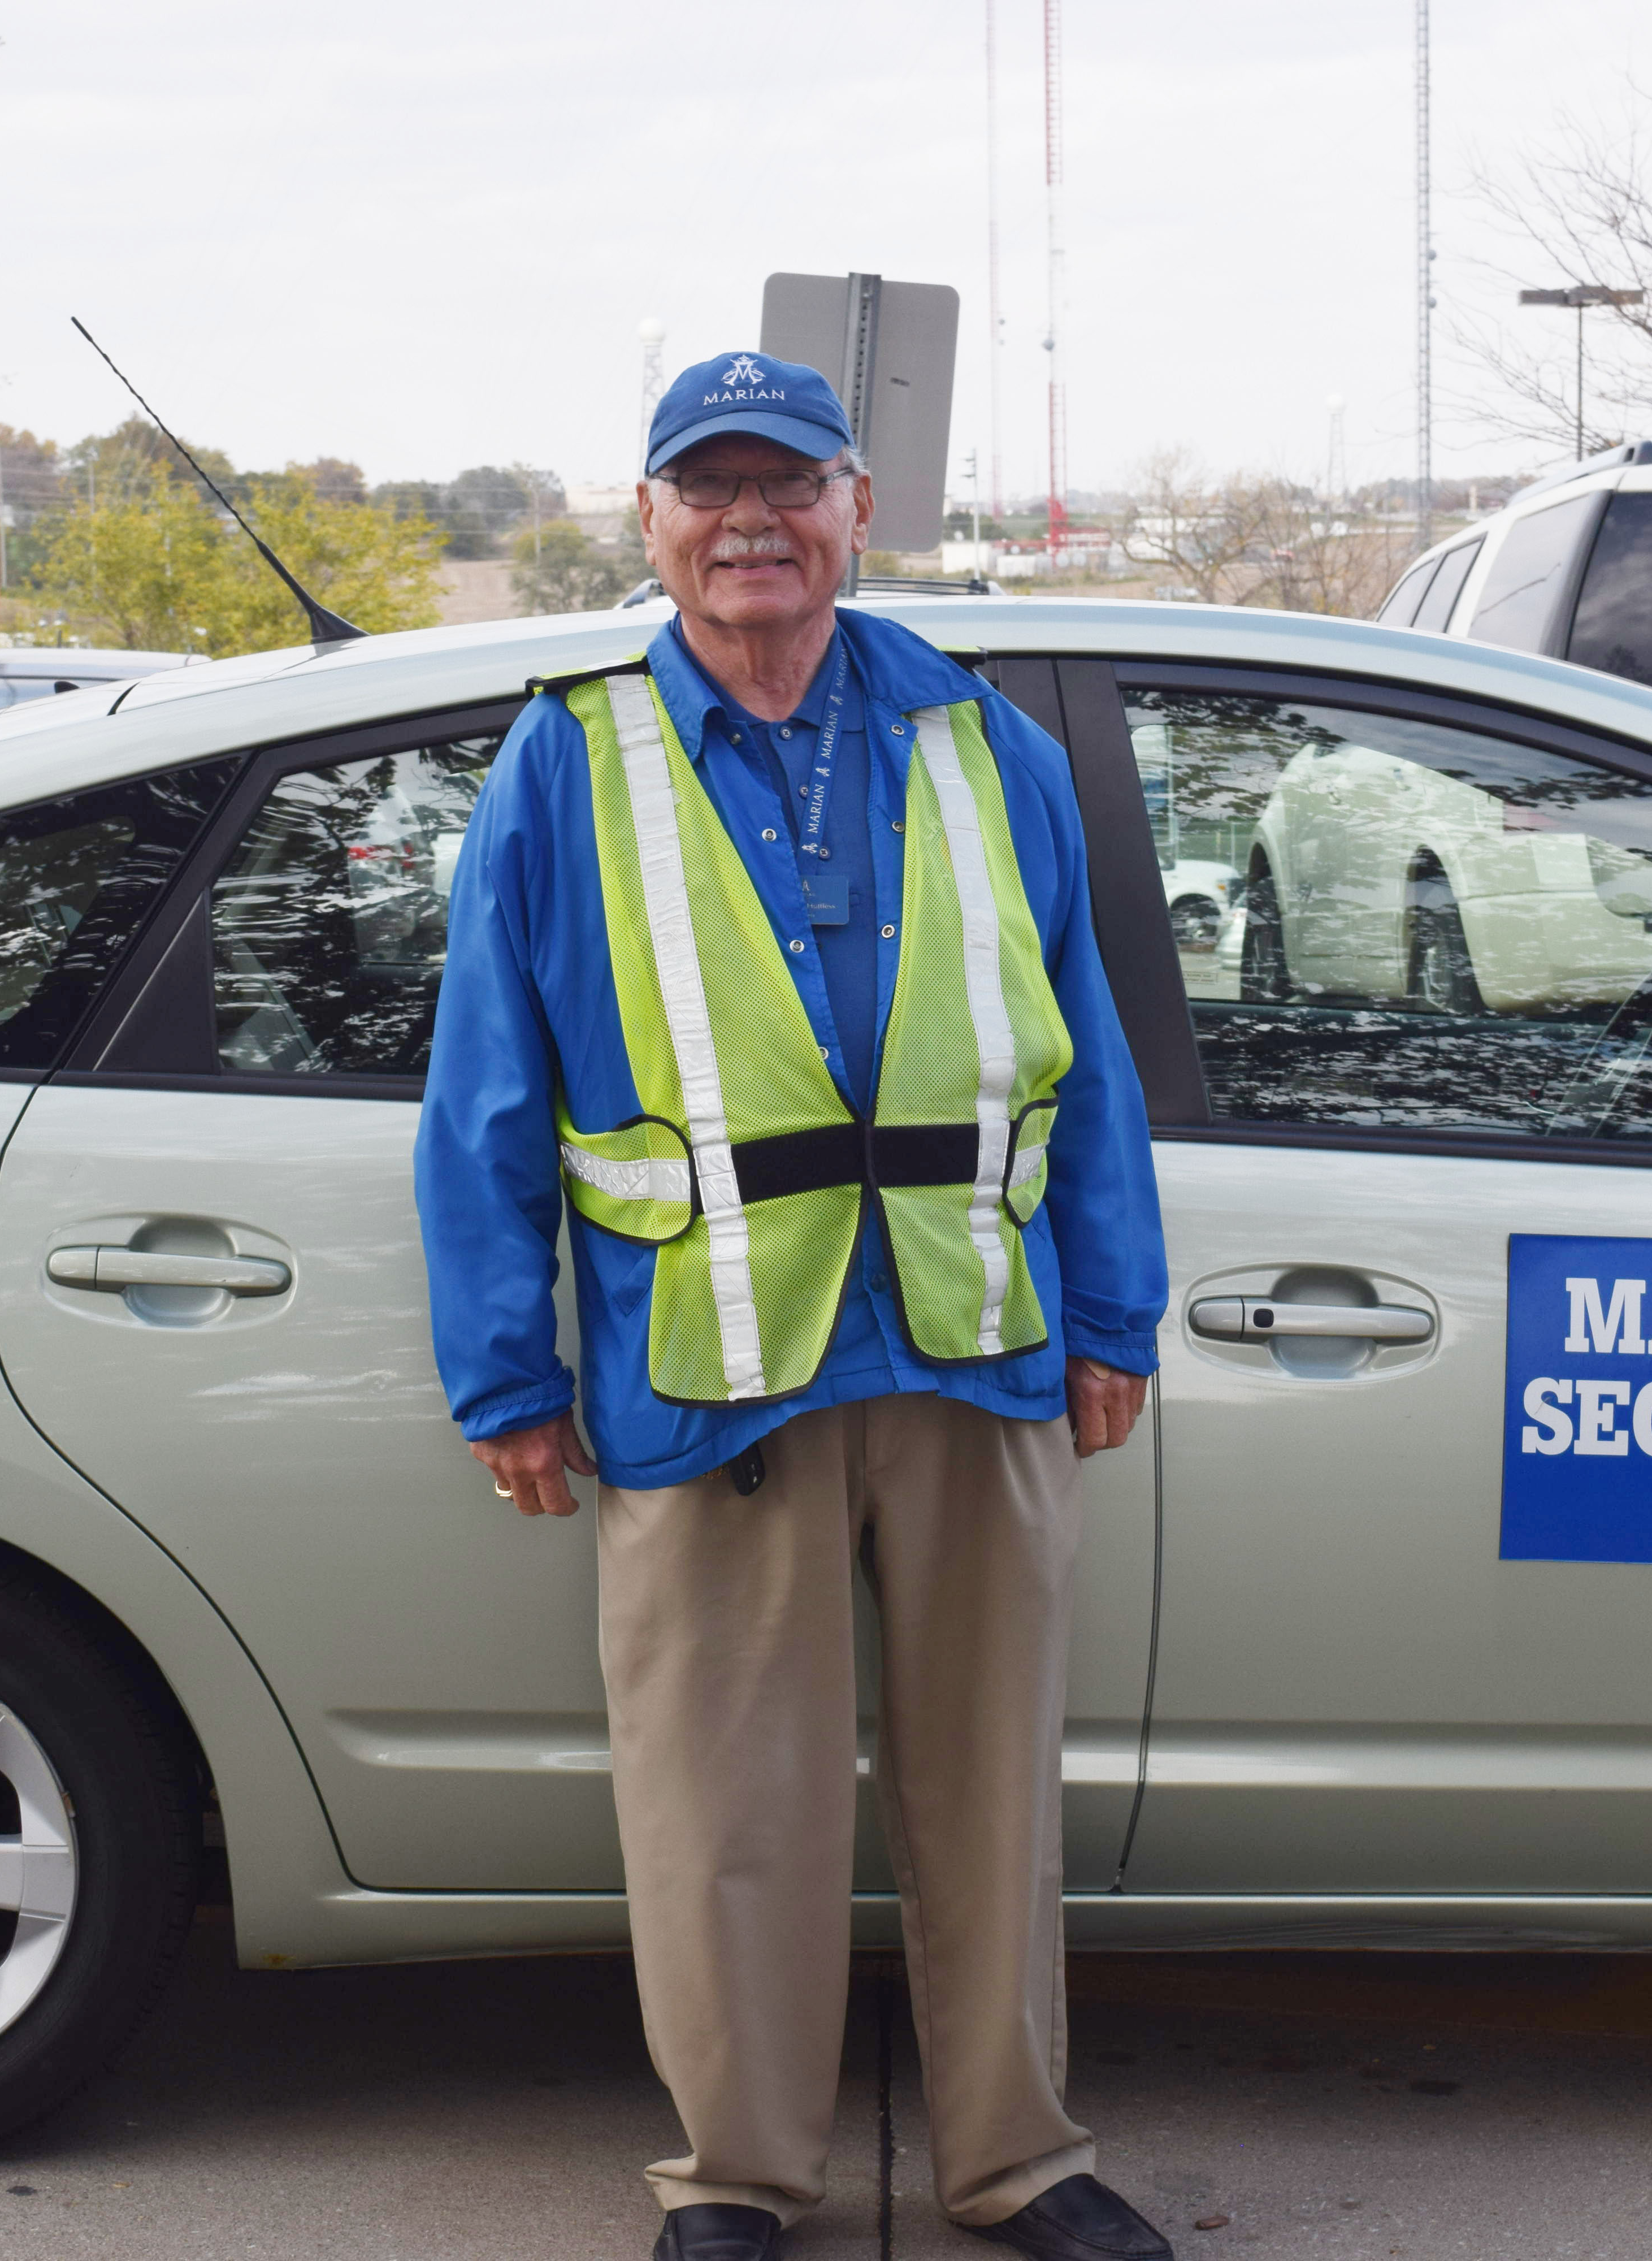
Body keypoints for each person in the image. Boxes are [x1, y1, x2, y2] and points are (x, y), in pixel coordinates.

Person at [415, 352, 1174, 2261]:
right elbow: (487, 1085)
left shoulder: (979, 739)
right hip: (711, 1373)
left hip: (972, 1343)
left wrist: (1117, 1317)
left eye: (790, 486)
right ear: (651, 518)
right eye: (708, 488)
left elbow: (1081, 1041)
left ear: (858, 509)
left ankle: (1022, 2162)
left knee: (991, 1799)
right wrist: (507, 1373)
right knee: (722, 1813)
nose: (750, 522)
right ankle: (740, 2179)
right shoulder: (569, 752)